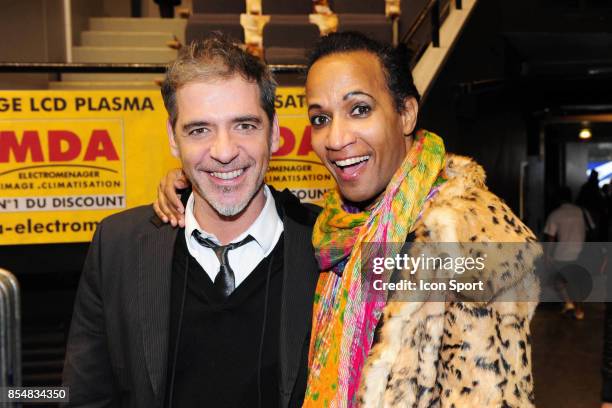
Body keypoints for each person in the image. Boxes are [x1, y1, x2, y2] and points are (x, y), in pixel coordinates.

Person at [156, 32, 541, 407]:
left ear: (405, 113)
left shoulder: (466, 233)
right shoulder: (337, 228)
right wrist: (195, 181)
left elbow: (486, 389)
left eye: (360, 109)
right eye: (321, 118)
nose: (336, 138)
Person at [62, 35, 320, 408]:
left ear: (275, 131)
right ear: (172, 138)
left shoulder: (331, 246)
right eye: (199, 130)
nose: (224, 151)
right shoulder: (117, 245)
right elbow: (82, 397)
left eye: (244, 125)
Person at [543, 186, 593, 320]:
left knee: (558, 281)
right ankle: (575, 308)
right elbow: (591, 229)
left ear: (558, 199)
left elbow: (551, 238)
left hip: (562, 254)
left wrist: (547, 255)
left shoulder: (555, 214)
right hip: (582, 252)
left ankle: (571, 305)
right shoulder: (582, 212)